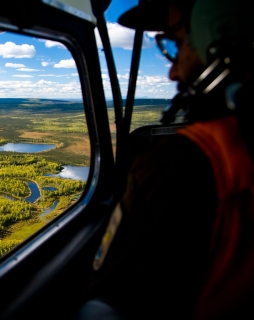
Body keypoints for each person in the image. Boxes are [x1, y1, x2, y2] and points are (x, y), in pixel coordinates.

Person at [80, 0, 254, 319]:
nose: (172, 71)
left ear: (221, 44)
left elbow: (110, 299)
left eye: (178, 43)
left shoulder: (189, 161)